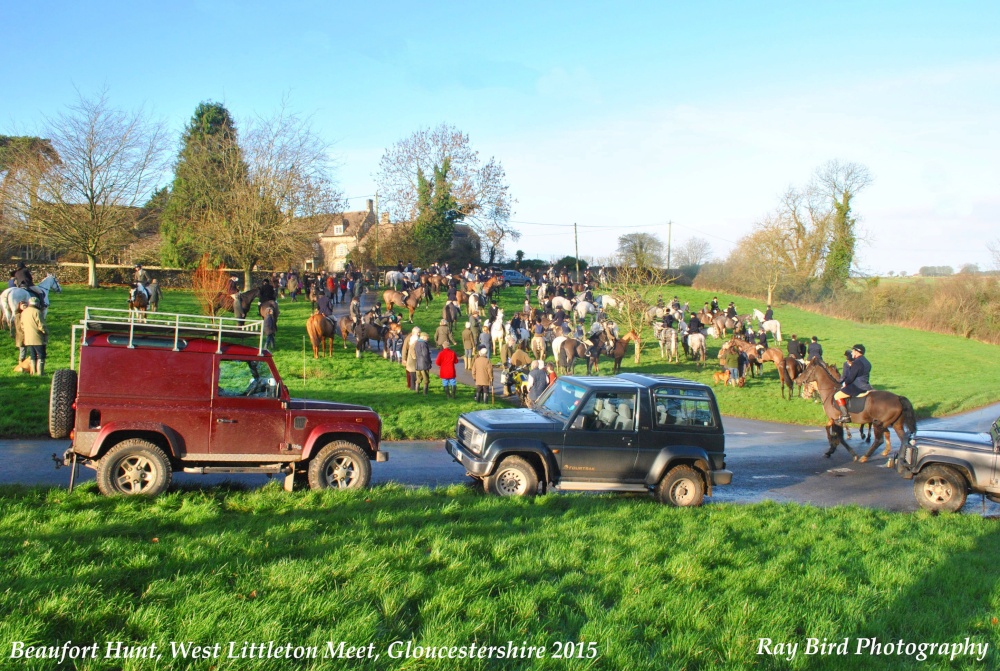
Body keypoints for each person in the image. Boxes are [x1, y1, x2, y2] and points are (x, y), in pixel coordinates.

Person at [834, 344, 872, 424]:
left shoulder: (857, 362)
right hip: (867, 385)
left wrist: (845, 383)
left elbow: (851, 377)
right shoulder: (867, 362)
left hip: (857, 386)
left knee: (837, 395)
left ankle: (845, 416)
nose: (852, 353)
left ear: (857, 352)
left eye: (853, 351)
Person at [20, 296, 47, 375]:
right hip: (38, 337)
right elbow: (41, 325)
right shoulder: (37, 312)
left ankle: (33, 372)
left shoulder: (24, 312)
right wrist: (45, 332)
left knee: (32, 355)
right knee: (41, 355)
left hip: (28, 337)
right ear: (37, 303)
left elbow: (22, 325)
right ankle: (40, 373)